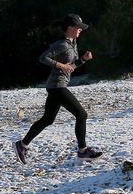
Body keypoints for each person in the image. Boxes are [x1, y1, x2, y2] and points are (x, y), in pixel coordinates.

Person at [13, 13, 102, 163]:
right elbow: (43, 58)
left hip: (56, 86)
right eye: (78, 27)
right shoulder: (61, 44)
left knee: (47, 119)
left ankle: (22, 145)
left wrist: (83, 60)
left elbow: (71, 67)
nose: (81, 30)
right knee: (82, 115)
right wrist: (61, 65)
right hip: (57, 86)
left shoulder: (73, 44)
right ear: (70, 28)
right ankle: (83, 151)